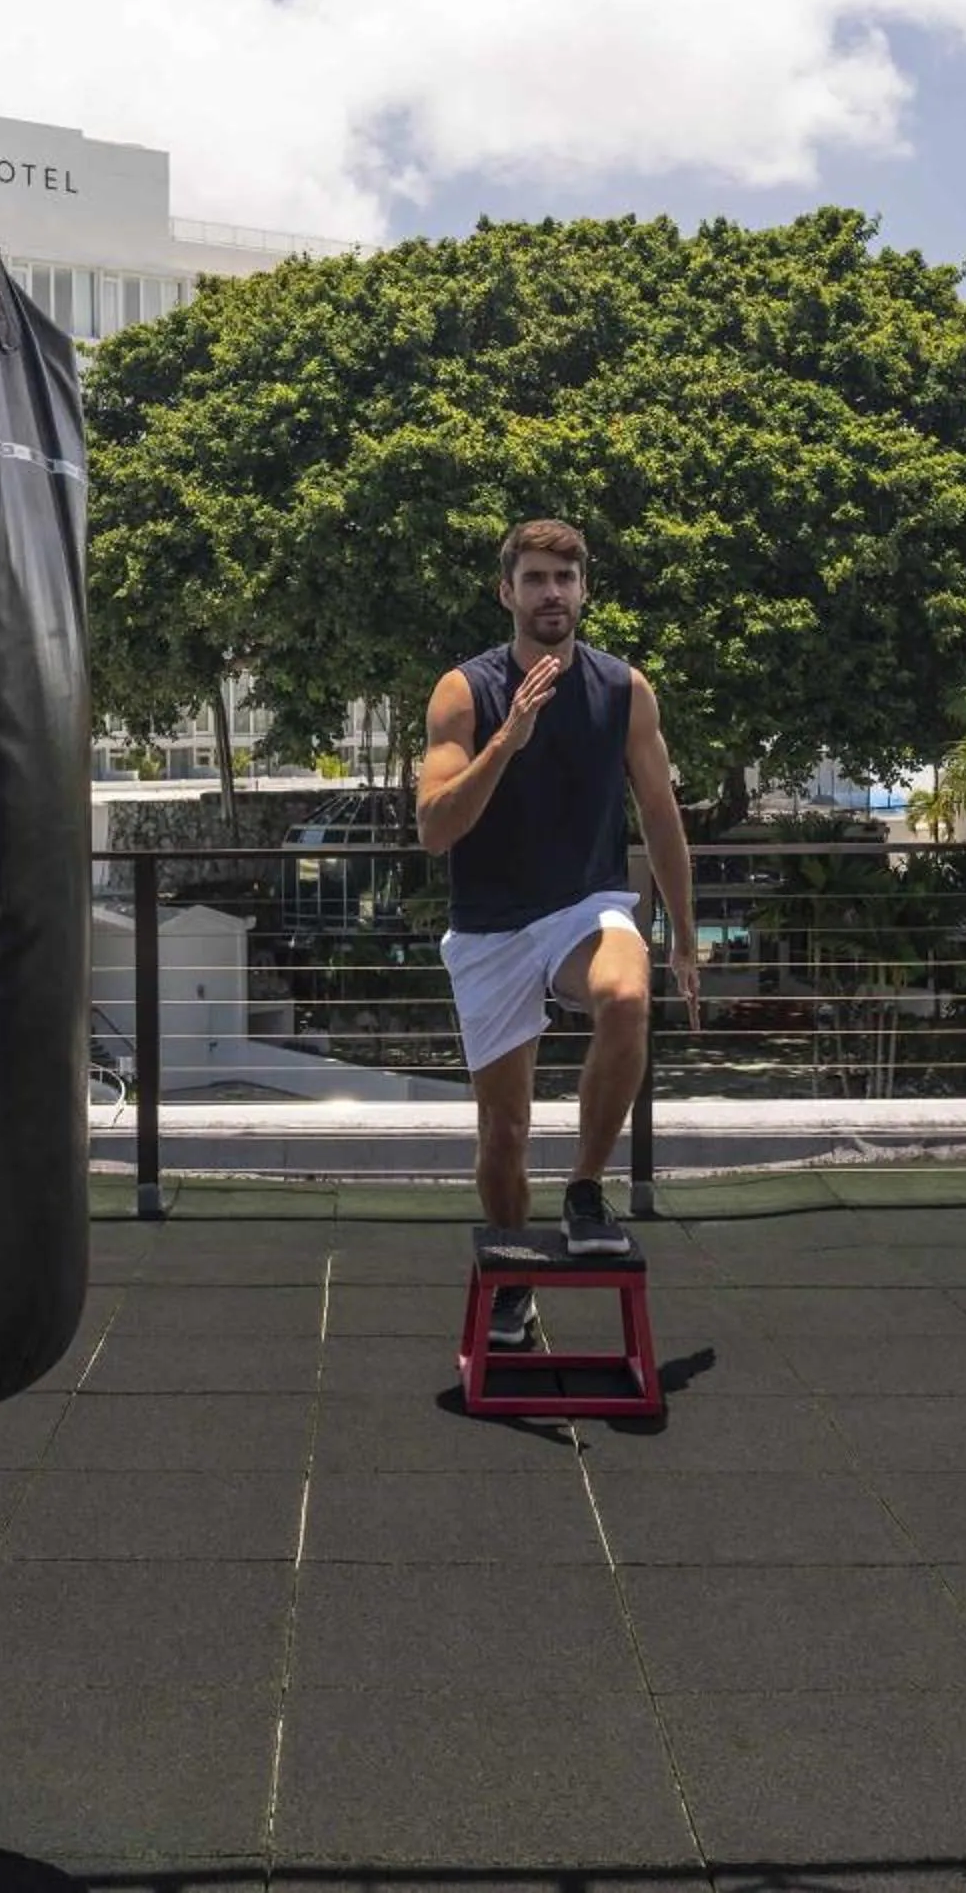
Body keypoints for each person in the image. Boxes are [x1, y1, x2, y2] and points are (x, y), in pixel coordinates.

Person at [416, 519, 700, 1350]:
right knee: (503, 1130)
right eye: (535, 579)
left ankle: (583, 1189)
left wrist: (684, 936)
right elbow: (435, 830)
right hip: (492, 925)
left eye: (565, 580)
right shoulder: (464, 693)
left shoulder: (624, 690)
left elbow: (660, 815)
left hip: (585, 904)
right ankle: (514, 1285)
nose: (551, 594)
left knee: (624, 996)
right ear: (506, 592)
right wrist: (506, 743)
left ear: (583, 591)